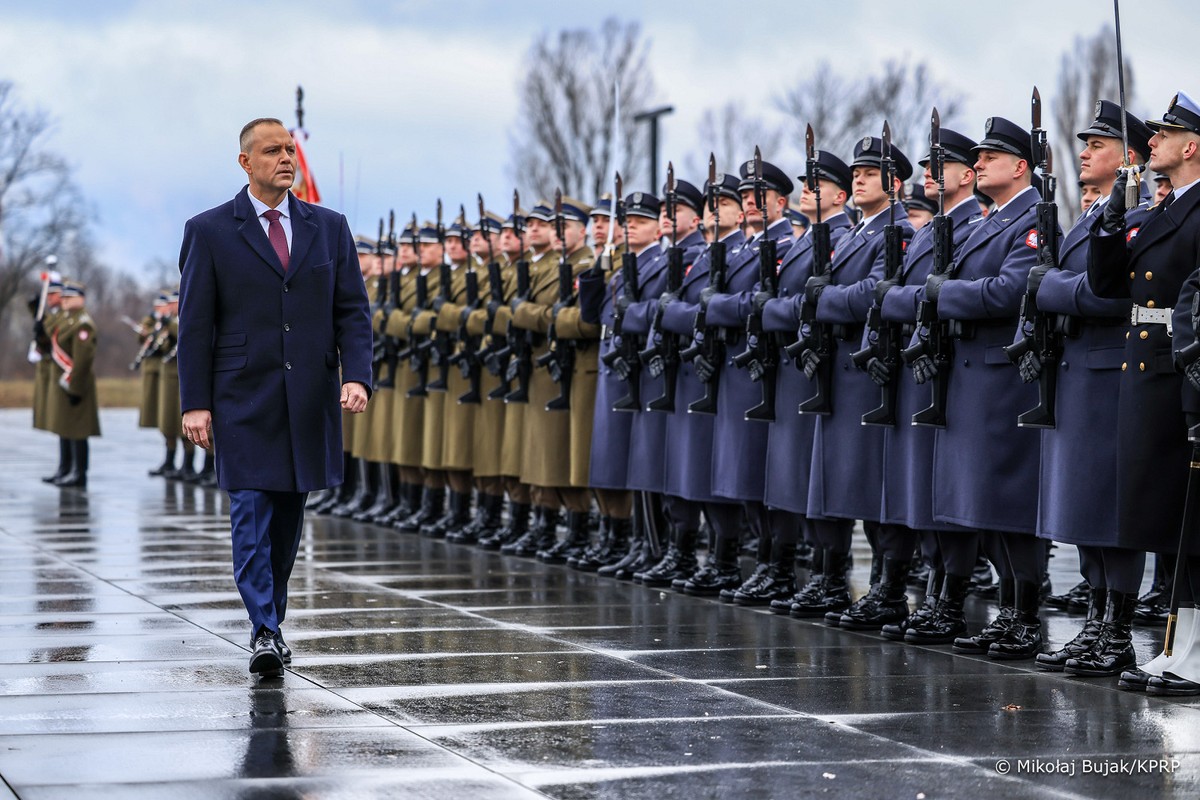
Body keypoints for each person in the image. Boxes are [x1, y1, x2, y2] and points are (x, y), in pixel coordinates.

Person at [177, 117, 372, 677]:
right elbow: (195, 324)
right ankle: (263, 628)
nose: (286, 158)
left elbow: (352, 310)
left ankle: (272, 621)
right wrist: (196, 402)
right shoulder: (210, 230)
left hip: (308, 394)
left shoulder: (328, 227)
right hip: (241, 396)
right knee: (251, 513)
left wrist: (355, 375)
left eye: (289, 149)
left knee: (287, 521)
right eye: (272, 151)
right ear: (246, 162)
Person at [1026, 101, 1153, 678]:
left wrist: (1052, 288)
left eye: (1097, 145)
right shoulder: (1090, 217)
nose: (1084, 152)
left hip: (1110, 375)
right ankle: (1096, 623)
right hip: (1077, 372)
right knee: (1081, 505)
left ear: (1130, 159)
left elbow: (1113, 294)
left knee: (1111, 507)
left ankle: (1117, 632)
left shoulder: (1140, 217)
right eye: (1085, 143)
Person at [1089, 91, 1200, 695]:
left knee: (1194, 521)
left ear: (1192, 146)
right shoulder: (1158, 209)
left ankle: (1195, 651)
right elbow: (1107, 285)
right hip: (1148, 373)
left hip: (1181, 370)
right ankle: (1178, 646)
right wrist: (1110, 219)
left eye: (1164, 133)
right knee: (1167, 520)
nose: (1150, 141)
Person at [45, 279, 100, 488]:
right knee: (65, 426)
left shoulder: (83, 323)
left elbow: (83, 360)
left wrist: (75, 387)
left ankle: (79, 472)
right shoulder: (68, 319)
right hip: (65, 382)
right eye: (64, 297)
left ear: (81, 299)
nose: (64, 301)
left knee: (78, 430)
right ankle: (66, 468)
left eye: (69, 297)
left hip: (77, 383)